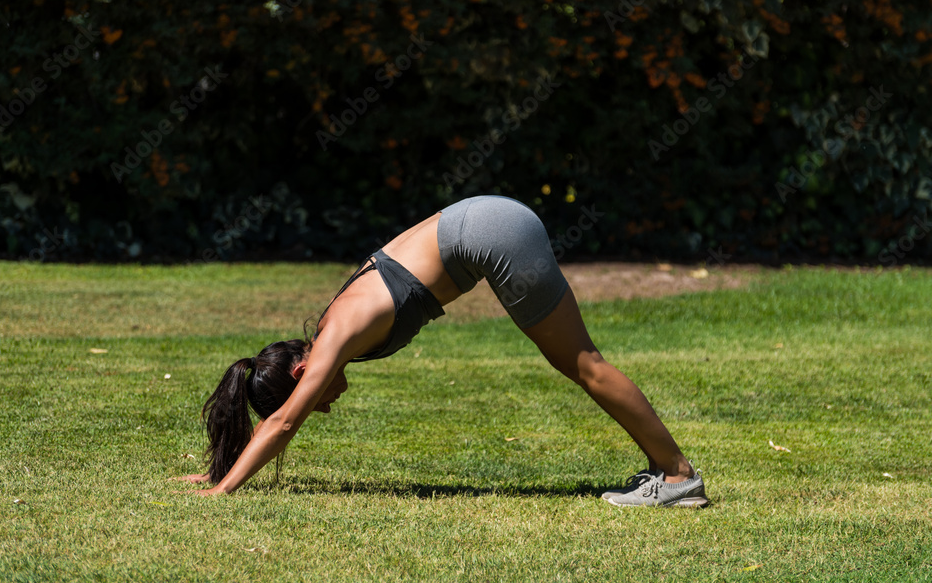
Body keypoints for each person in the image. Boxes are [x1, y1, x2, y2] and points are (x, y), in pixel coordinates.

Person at [172, 195, 707, 507]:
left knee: (583, 364)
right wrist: (220, 469)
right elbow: (284, 418)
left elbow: (284, 423)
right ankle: (672, 471)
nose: (323, 407)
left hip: (492, 236)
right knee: (580, 362)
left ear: (301, 370)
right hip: (489, 220)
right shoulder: (332, 328)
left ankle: (678, 475)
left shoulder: (336, 336)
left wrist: (221, 494)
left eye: (314, 399)